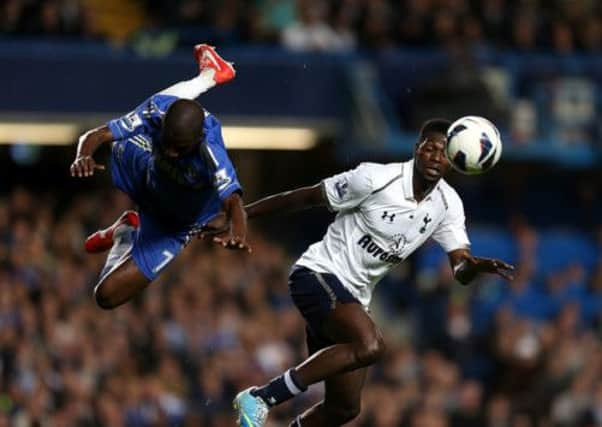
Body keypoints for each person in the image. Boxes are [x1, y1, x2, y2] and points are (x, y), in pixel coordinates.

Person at [232, 119, 515, 427]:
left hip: (353, 298)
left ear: (455, 158)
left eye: (444, 152)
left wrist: (472, 267)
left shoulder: (448, 205)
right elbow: (309, 196)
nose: (436, 157)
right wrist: (244, 214)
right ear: (416, 149)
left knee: (344, 409)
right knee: (371, 345)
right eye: (429, 148)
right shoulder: (375, 178)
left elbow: (459, 267)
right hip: (317, 274)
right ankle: (261, 397)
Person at [70, 44, 249, 310]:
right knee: (124, 138)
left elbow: (235, 203)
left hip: (175, 223)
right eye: (167, 142)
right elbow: (96, 135)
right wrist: (82, 155)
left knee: (106, 296)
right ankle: (209, 75)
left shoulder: (211, 149)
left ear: (197, 140)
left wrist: (239, 233)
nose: (170, 152)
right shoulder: (159, 112)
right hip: (145, 173)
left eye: (179, 149)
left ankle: (126, 232)